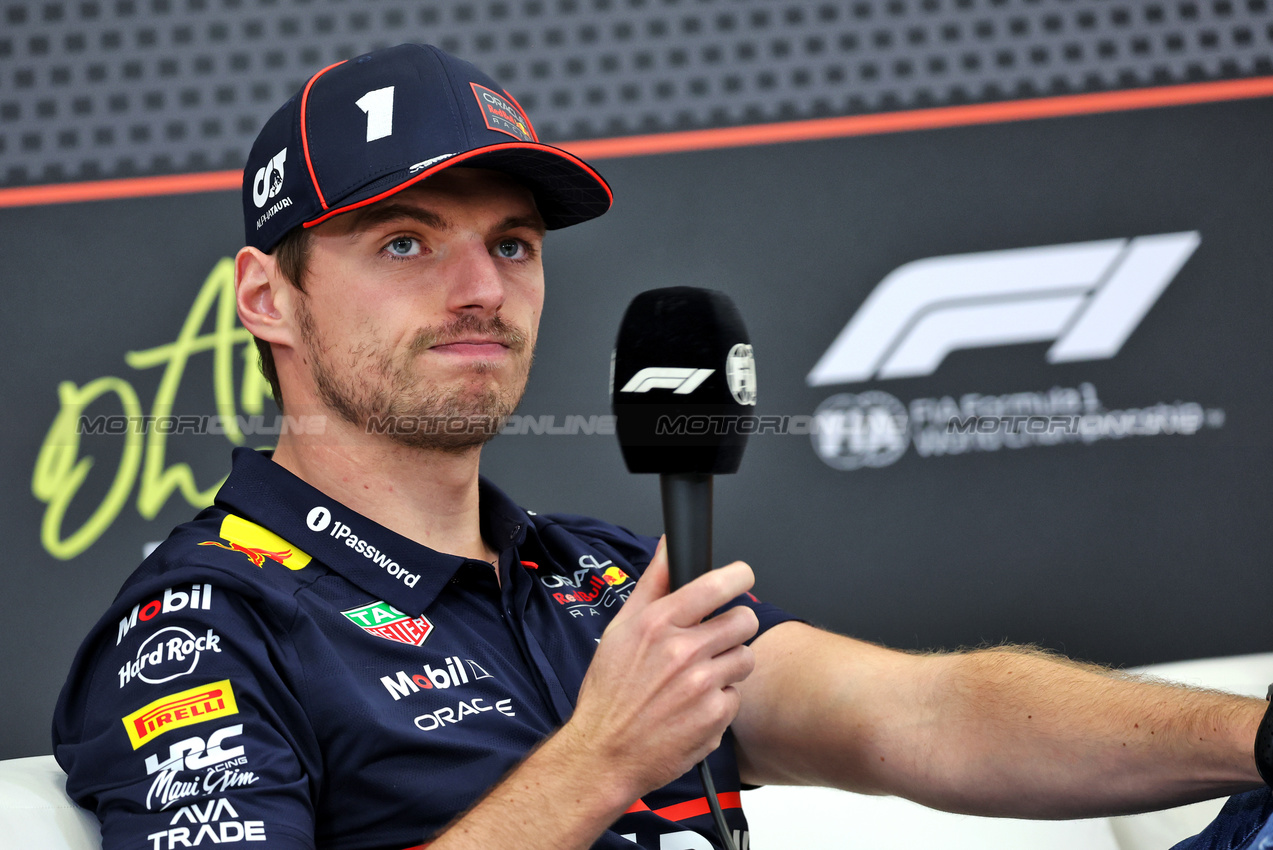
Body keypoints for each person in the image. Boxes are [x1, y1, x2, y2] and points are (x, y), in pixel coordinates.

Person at [53, 42, 1273, 850]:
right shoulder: (204, 626)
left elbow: (926, 712)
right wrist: (600, 757)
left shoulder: (599, 577)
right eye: (407, 243)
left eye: (513, 244)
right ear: (267, 297)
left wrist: (1254, 735)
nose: (481, 290)